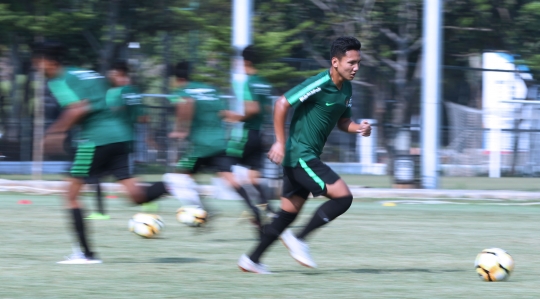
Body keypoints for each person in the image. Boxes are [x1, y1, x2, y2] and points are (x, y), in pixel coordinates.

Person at [238, 36, 371, 274]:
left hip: (301, 157)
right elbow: (281, 104)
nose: (356, 67)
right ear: (335, 61)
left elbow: (343, 122)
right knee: (343, 197)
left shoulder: (347, 88)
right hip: (300, 155)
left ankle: (252, 260)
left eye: (358, 62)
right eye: (351, 62)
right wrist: (279, 142)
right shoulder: (319, 82)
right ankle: (299, 240)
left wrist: (359, 128)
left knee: (286, 215)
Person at [33, 42, 162, 264]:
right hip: (120, 137)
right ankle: (172, 184)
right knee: (136, 195)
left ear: (48, 61)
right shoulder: (86, 73)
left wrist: (55, 132)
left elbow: (79, 108)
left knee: (71, 195)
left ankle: (86, 254)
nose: (36, 66)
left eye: (37, 62)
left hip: (95, 140)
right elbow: (108, 89)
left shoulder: (59, 79)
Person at [220, 45, 276, 235]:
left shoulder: (248, 83)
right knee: (253, 178)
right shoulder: (265, 83)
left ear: (246, 62)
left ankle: (252, 210)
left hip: (246, 135)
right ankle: (269, 212)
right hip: (259, 134)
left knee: (223, 169)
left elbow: (252, 110)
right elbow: (267, 110)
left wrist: (233, 116)